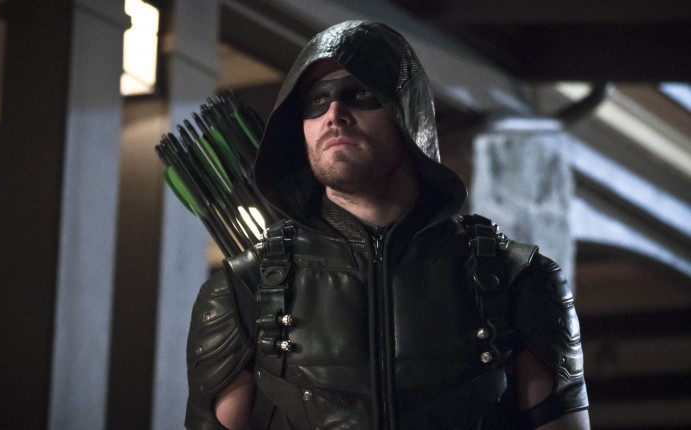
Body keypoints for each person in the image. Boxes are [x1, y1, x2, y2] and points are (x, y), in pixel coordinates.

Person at [185, 21, 590, 430]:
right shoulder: (243, 289)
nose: (334, 114)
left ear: (406, 111)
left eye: (361, 93)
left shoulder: (519, 278)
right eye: (316, 100)